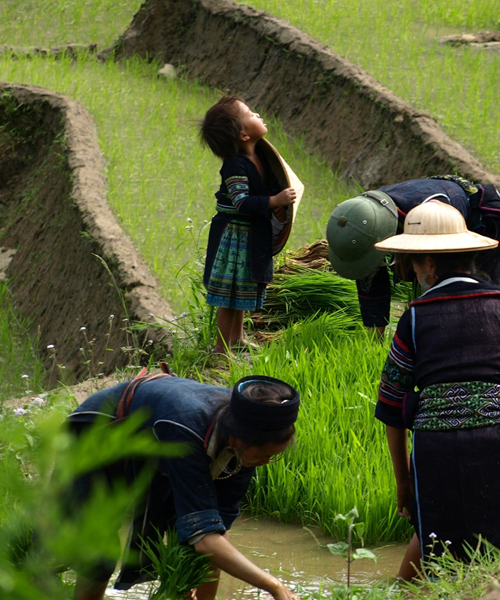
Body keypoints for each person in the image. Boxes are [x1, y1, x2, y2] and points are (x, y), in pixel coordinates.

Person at [372, 202, 500, 580]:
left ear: (431, 264)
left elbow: (392, 406)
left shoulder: (414, 318)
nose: (415, 271)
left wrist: (404, 482)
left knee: (435, 542)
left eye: (415, 263)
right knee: (495, 554)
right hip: (496, 443)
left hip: (434, 451)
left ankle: (401, 589)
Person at [65, 371, 302, 600]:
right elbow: (205, 539)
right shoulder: (188, 430)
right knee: (99, 551)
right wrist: (274, 586)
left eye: (274, 455)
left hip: (153, 446)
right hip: (98, 432)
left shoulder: (244, 446)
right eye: (263, 455)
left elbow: (215, 533)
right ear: (237, 440)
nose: (266, 462)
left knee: (191, 548)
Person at [326, 176, 500, 333]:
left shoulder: (425, 213)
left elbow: (438, 272)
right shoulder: (363, 220)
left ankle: (485, 337)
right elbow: (371, 278)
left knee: (485, 299)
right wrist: (374, 342)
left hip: (483, 221)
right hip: (427, 217)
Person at [200, 96, 299, 354]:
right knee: (229, 297)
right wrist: (274, 200)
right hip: (235, 236)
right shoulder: (234, 165)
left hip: (252, 235)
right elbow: (242, 203)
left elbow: (266, 189)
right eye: (251, 114)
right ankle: (221, 348)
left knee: (243, 288)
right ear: (243, 135)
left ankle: (238, 338)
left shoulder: (261, 158)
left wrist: (275, 204)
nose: (258, 115)